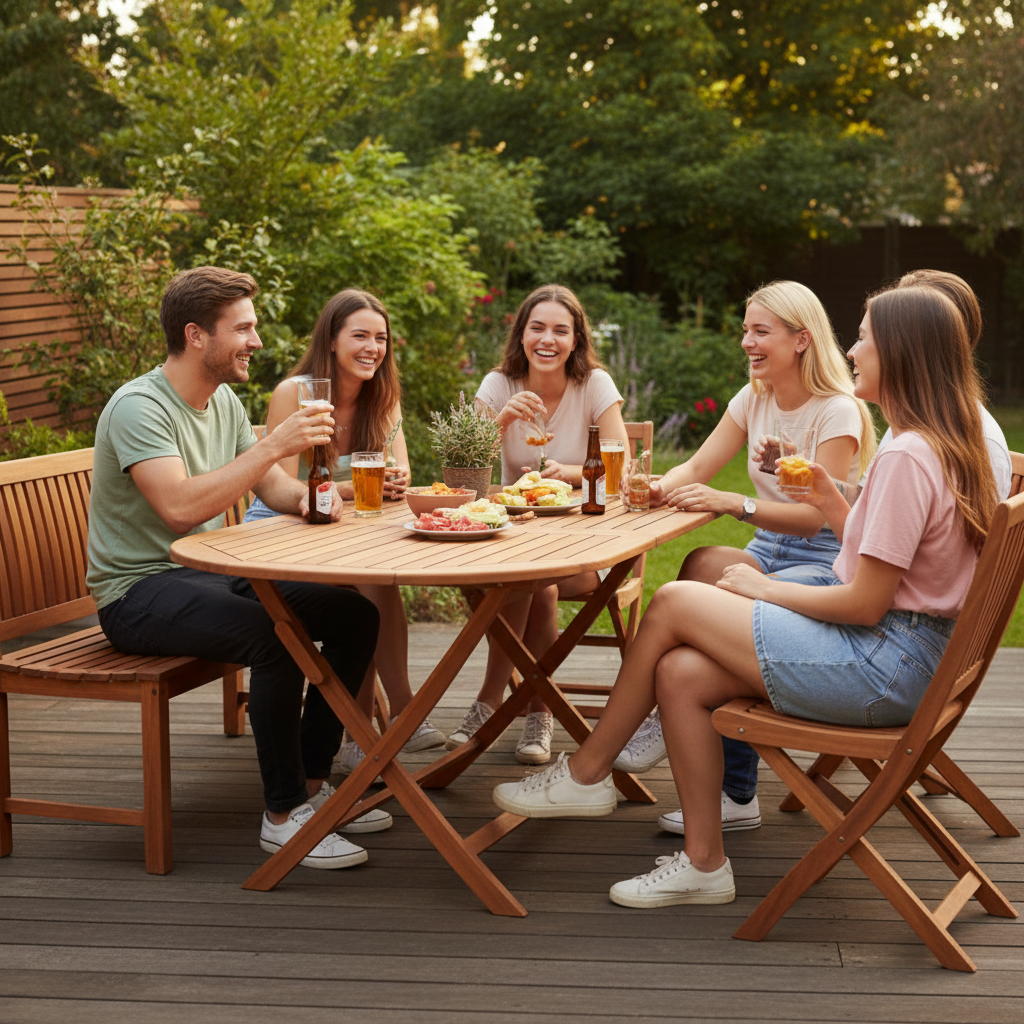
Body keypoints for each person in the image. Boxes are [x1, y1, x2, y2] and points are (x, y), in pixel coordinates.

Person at [491, 284, 997, 908]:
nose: (855, 348)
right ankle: (705, 863)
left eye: (864, 336)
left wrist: (764, 590)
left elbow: (865, 602)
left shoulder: (906, 456)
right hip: (908, 658)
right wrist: (832, 499)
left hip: (885, 668)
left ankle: (589, 771)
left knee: (676, 599)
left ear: (901, 352)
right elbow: (874, 559)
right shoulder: (923, 443)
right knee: (681, 671)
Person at [87, 266, 388, 870]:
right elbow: (178, 509)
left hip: (207, 574)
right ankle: (281, 817)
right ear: (197, 335)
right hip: (138, 592)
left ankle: (309, 782)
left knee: (354, 613)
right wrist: (275, 443)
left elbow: (271, 485)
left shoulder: (220, 399)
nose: (256, 341)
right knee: (274, 638)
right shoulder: (139, 407)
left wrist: (315, 501)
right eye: (243, 329)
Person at [613, 281, 876, 839]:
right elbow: (698, 467)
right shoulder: (754, 396)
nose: (746, 343)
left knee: (719, 601)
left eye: (760, 331)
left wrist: (737, 503)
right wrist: (657, 486)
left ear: (801, 340)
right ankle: (693, 745)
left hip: (824, 555)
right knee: (704, 565)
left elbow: (813, 518)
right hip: (769, 550)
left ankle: (732, 789)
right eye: (745, 330)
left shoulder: (838, 412)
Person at [243, 289, 446, 771]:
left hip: (346, 535)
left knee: (371, 580)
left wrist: (394, 482)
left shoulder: (384, 397)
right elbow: (287, 485)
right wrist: (363, 488)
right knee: (367, 585)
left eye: (381, 338)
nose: (372, 347)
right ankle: (400, 713)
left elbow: (399, 475)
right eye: (360, 336)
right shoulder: (296, 393)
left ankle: (366, 733)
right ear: (331, 340)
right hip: (281, 536)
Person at [445, 284, 629, 764]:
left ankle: (492, 702)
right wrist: (501, 420)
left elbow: (619, 467)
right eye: (538, 328)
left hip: (586, 543)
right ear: (521, 335)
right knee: (532, 582)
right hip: (512, 536)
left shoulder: (595, 386)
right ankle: (539, 707)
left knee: (535, 583)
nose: (548, 340)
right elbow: (464, 472)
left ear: (576, 339)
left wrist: (567, 474)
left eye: (561, 330)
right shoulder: (498, 384)